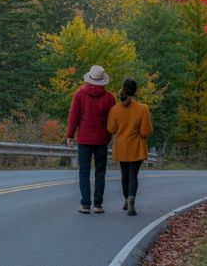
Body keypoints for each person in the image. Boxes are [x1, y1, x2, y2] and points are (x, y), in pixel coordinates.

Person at [66, 65, 116, 214]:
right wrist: (109, 135)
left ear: (89, 78)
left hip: (84, 139)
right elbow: (112, 120)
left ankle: (85, 205)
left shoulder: (80, 94)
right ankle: (98, 205)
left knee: (84, 172)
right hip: (101, 140)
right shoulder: (109, 97)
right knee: (100, 173)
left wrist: (70, 135)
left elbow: (73, 116)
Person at [107, 77, 153, 216]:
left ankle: (126, 199)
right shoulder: (143, 108)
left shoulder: (115, 109)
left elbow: (111, 129)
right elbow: (145, 131)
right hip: (136, 147)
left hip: (122, 147)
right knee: (133, 175)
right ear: (135, 91)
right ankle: (131, 198)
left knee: (124, 174)